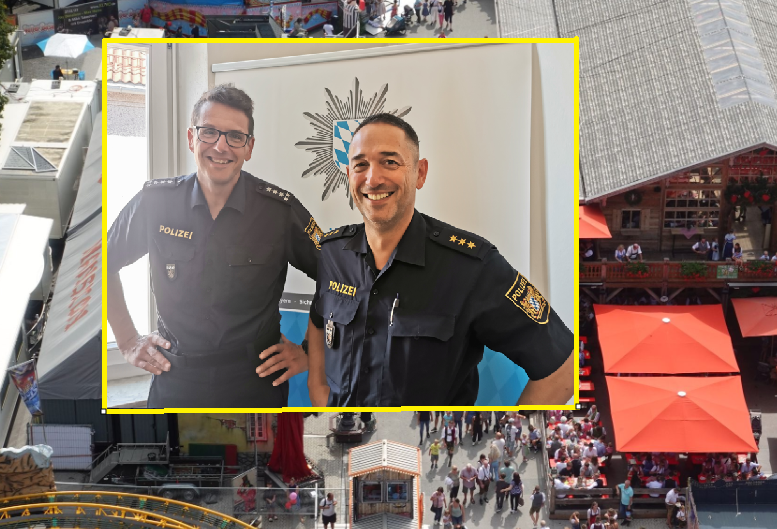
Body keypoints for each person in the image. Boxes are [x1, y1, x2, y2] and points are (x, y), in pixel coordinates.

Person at [305, 116, 574, 406]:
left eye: (390, 162)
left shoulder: (471, 267)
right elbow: (320, 322)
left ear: (420, 173)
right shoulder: (332, 252)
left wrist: (509, 439)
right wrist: (320, 395)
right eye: (360, 165)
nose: (373, 178)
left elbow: (562, 368)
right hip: (343, 443)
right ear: (349, 175)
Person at [107, 85, 319, 408]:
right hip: (174, 376)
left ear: (249, 148)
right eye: (209, 132)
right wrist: (127, 341)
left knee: (258, 461)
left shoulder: (280, 211)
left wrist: (311, 351)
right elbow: (101, 262)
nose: (221, 146)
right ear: (192, 138)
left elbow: (342, 274)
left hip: (255, 380)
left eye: (235, 137)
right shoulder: (155, 203)